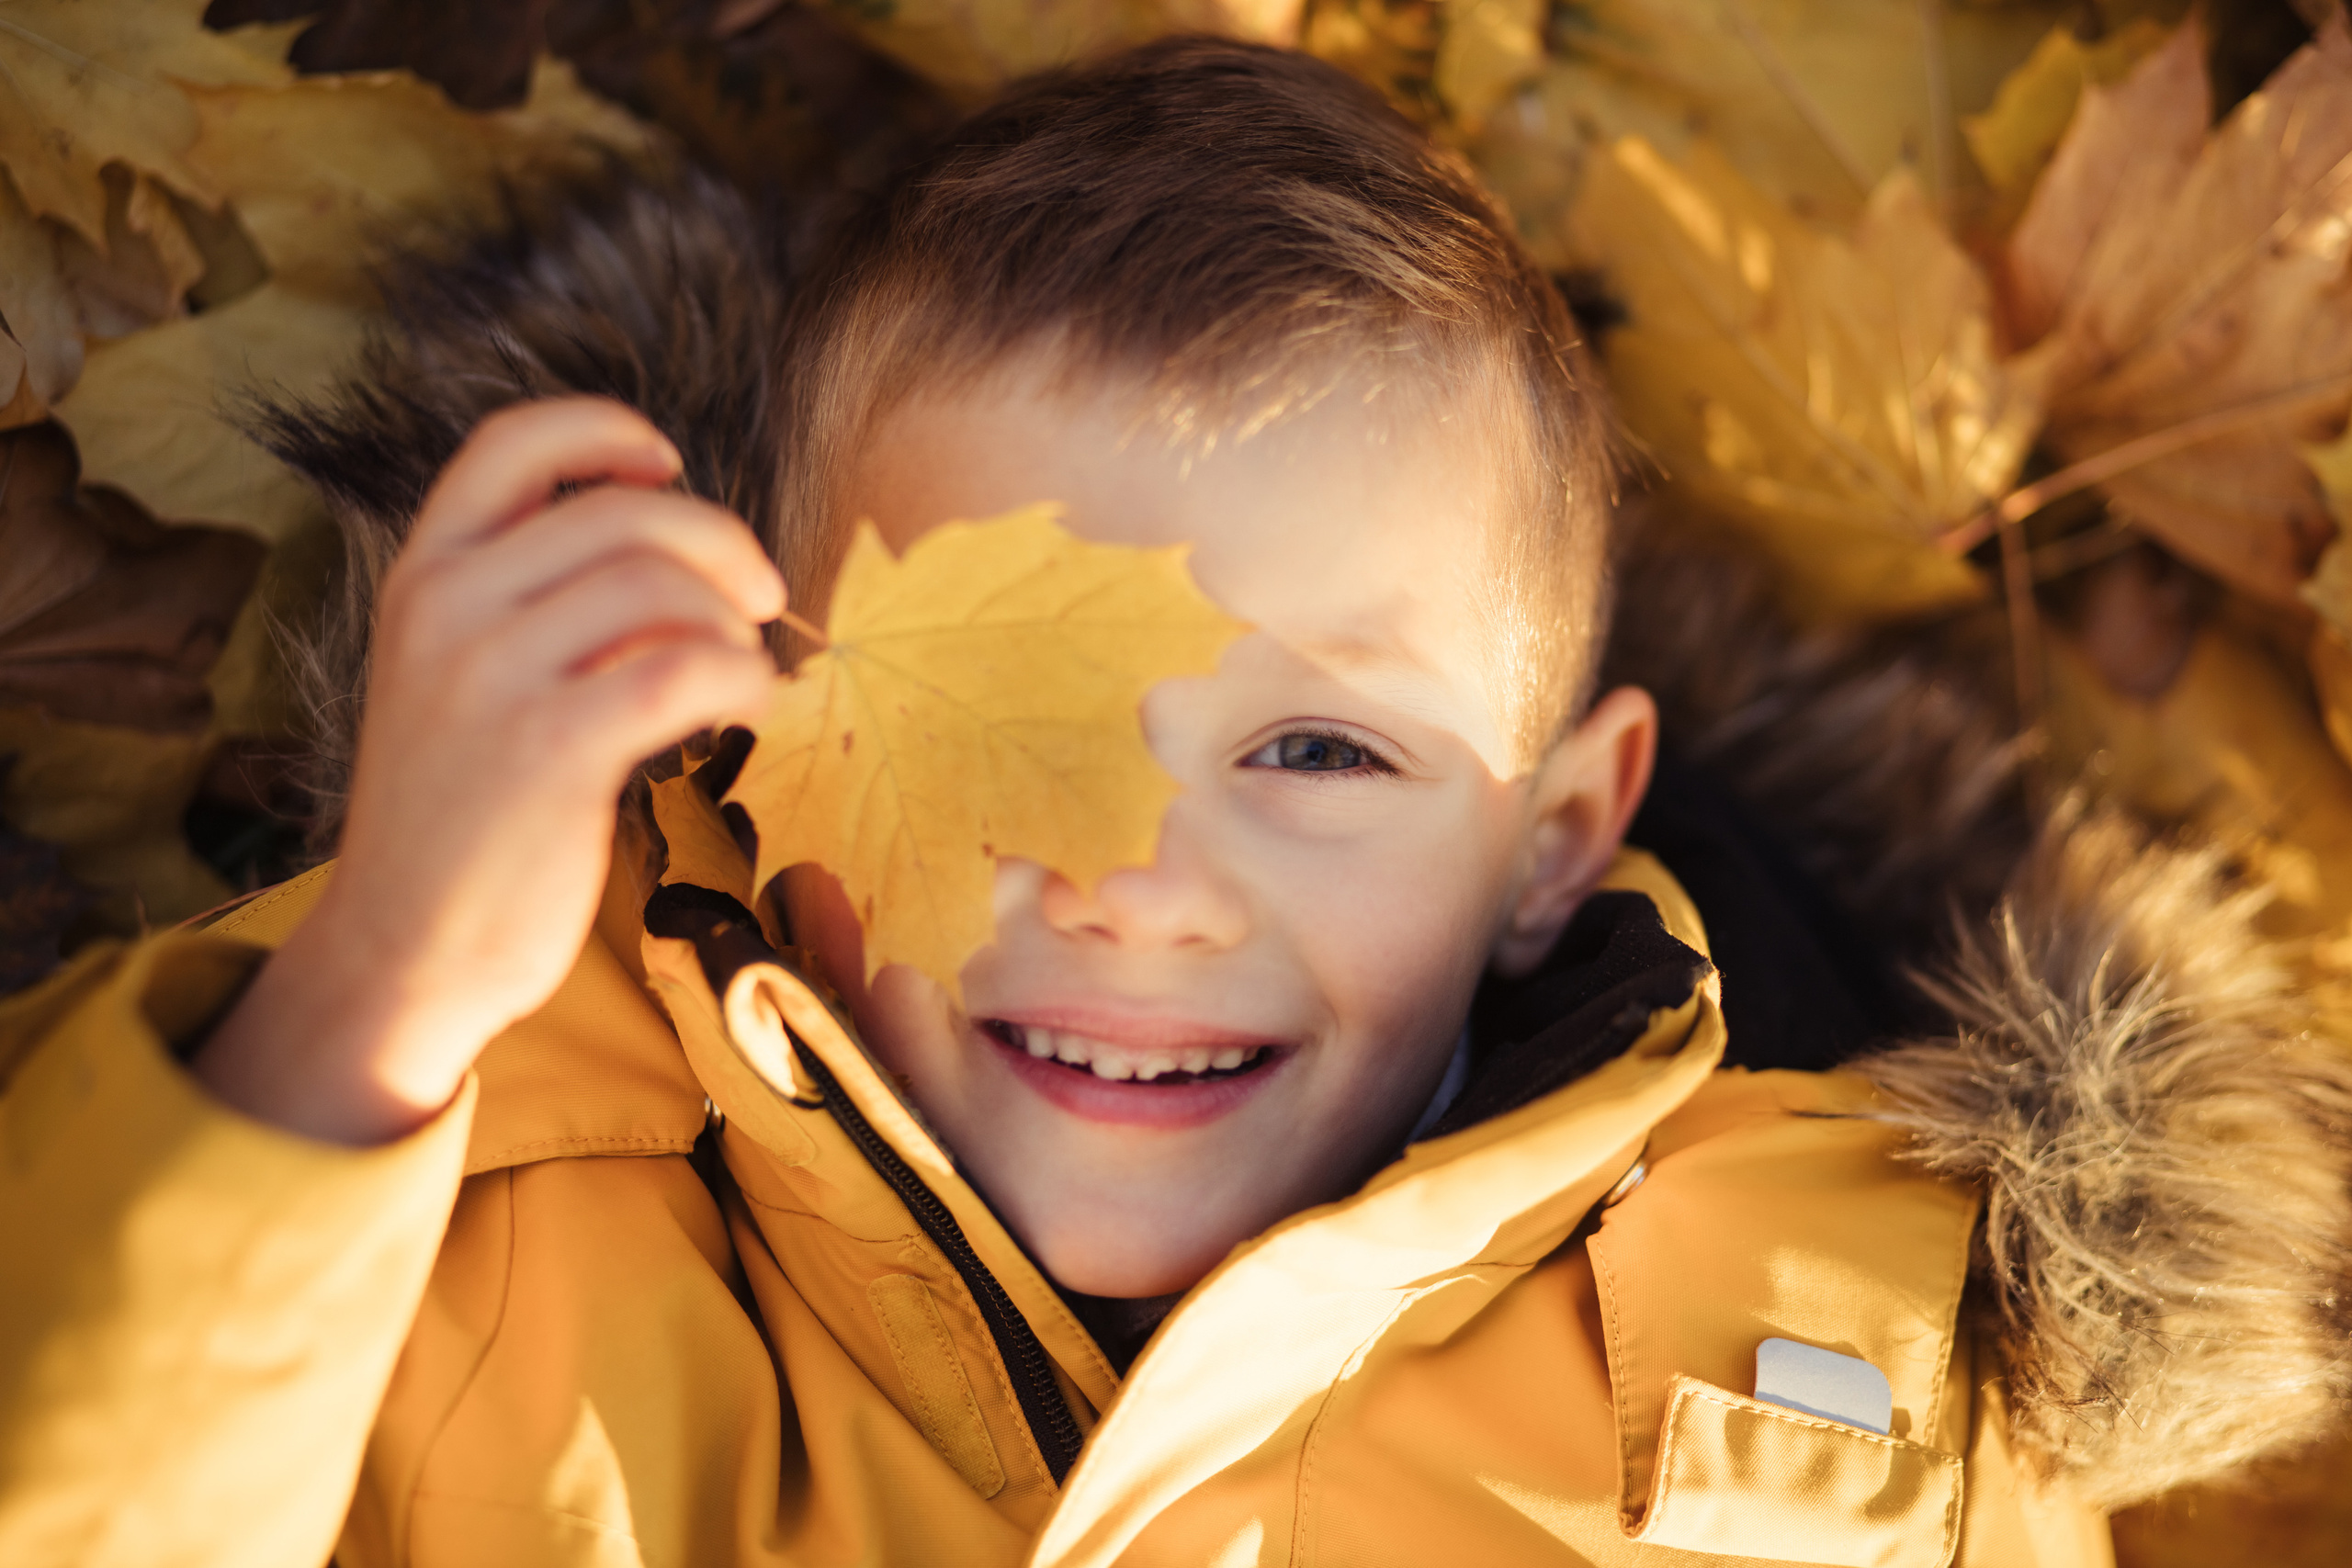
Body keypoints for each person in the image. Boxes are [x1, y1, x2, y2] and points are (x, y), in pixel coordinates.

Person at [3, 38, 2345, 1568]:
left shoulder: (1858, 1343)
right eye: (1000, 727)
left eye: (1317, 749)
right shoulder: (452, 1186)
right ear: (763, 707)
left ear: (1551, 837)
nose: (1128, 881)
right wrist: (378, 991)